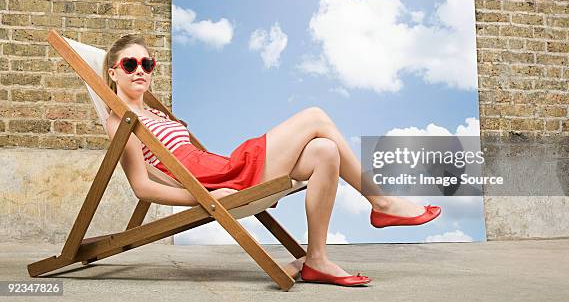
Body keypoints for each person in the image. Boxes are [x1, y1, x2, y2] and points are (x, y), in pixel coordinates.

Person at [103, 34, 441, 287]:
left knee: (326, 151)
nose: (140, 71)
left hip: (220, 167)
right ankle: (381, 201)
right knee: (315, 115)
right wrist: (203, 198)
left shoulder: (153, 113)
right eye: (130, 64)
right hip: (218, 181)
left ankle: (318, 259)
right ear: (113, 73)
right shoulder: (120, 120)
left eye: (147, 64)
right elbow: (142, 186)